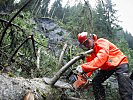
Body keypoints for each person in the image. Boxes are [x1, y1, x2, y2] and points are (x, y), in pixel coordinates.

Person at [76, 32, 133, 100]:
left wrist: (83, 67)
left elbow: (102, 58)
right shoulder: (91, 52)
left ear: (91, 38)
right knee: (96, 82)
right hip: (108, 67)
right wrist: (84, 76)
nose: (86, 45)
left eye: (87, 42)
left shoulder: (101, 42)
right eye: (84, 44)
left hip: (120, 63)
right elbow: (90, 65)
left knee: (124, 88)